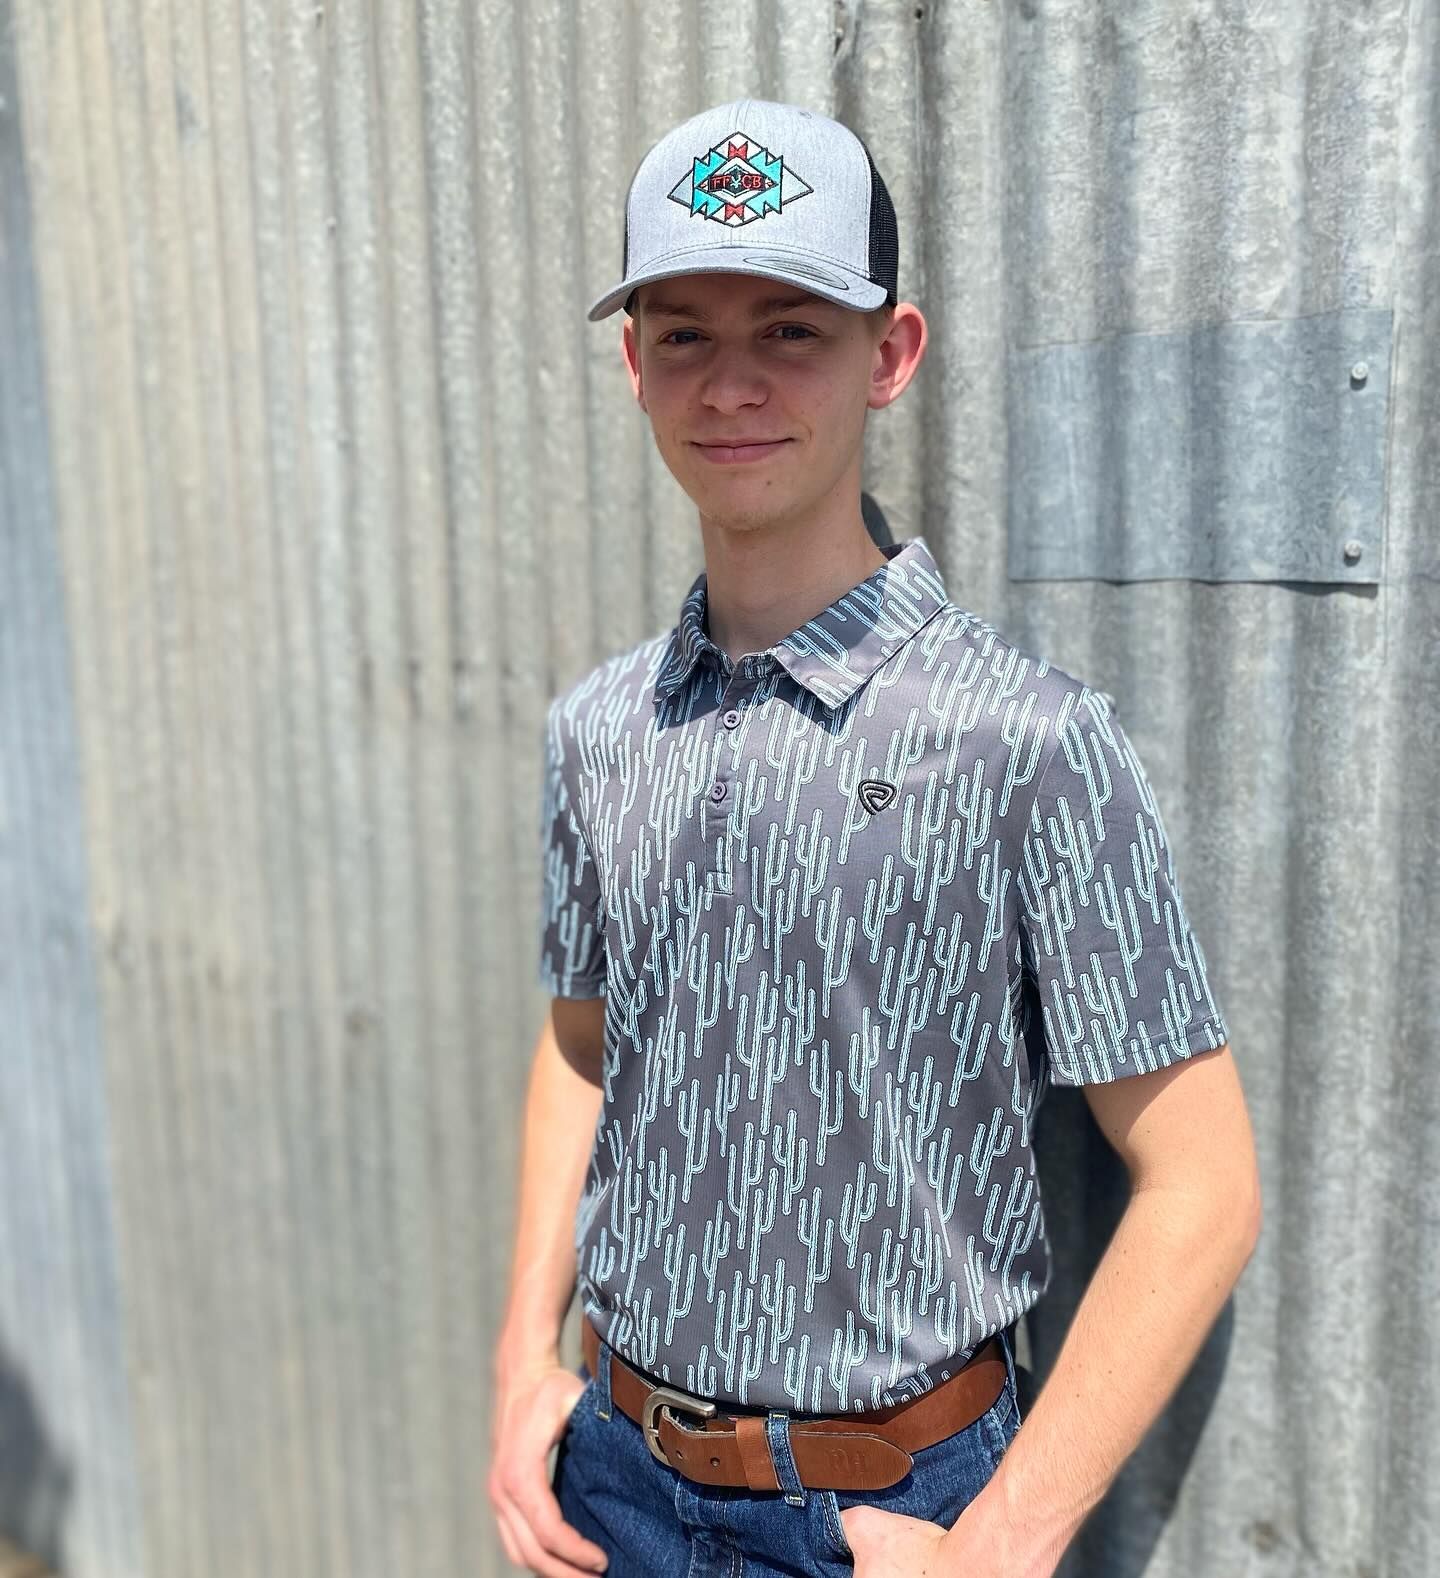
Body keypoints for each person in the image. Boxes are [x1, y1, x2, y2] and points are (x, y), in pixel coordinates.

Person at [488, 98, 1261, 1578]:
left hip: (890, 1518)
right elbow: (582, 1047)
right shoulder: (599, 730)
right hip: (615, 1485)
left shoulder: (1024, 740)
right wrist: (523, 1366)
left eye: (791, 330)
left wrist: (1007, 1541)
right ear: (634, 363)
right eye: (687, 333)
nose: (734, 385)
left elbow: (1204, 1180)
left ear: (889, 354)